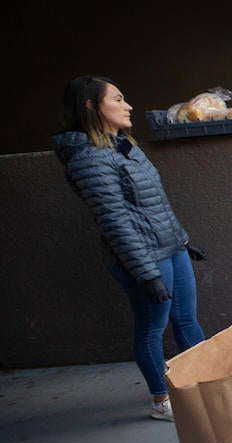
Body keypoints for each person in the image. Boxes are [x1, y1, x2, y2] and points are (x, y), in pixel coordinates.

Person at [53, 76, 206, 421]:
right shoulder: (87, 157)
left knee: (187, 320)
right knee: (152, 327)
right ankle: (161, 400)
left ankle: (204, 385)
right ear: (92, 106)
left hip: (171, 248)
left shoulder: (122, 146)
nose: (128, 105)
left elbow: (156, 204)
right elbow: (115, 221)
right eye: (118, 99)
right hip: (141, 259)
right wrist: (147, 274)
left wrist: (182, 240)